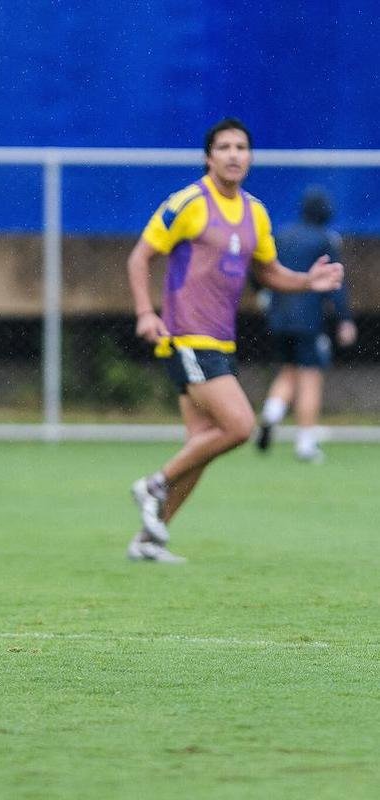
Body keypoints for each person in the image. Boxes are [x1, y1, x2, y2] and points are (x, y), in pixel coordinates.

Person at [125, 118, 343, 563]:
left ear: (250, 156)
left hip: (221, 342)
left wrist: (307, 282)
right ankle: (154, 485)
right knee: (240, 426)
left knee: (201, 446)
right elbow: (140, 257)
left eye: (241, 147)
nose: (233, 154)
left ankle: (149, 539)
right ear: (209, 157)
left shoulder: (255, 213)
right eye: (224, 147)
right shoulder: (188, 203)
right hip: (186, 338)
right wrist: (146, 312)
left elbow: (269, 272)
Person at [256, 187, 355, 462]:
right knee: (310, 376)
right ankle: (305, 444)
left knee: (288, 370)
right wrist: (345, 319)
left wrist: (263, 295)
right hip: (309, 320)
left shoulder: (281, 236)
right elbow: (334, 281)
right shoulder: (326, 239)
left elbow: (260, 269)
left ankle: (271, 414)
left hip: (279, 317)